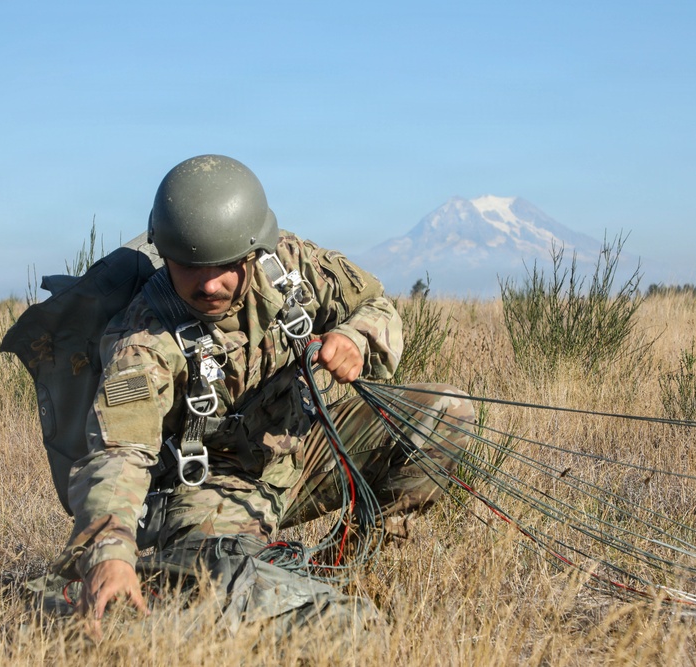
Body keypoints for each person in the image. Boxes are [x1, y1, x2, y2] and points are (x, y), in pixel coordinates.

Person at [51, 155, 474, 629]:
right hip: (212, 486)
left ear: (254, 249)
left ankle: (347, 564)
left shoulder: (291, 266)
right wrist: (110, 554)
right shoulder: (142, 341)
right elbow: (119, 455)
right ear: (165, 253)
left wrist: (356, 338)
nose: (209, 283)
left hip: (303, 450)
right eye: (189, 266)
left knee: (446, 411)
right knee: (231, 583)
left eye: (226, 265)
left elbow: (378, 305)